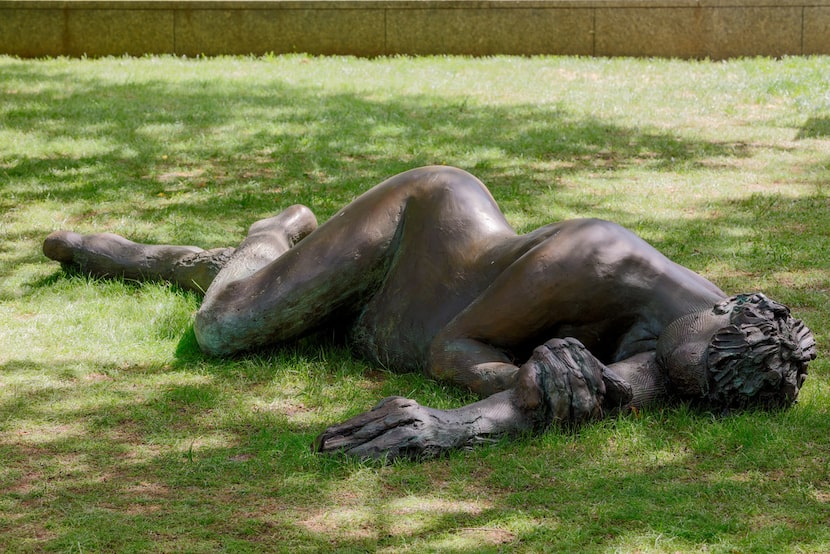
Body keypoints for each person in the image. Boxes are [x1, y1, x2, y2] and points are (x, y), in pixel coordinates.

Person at [43, 166, 816, 460]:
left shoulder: (711, 351)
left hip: (384, 326)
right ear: (729, 308)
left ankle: (254, 273)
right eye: (678, 375)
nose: (662, 386)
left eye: (686, 390)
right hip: (412, 245)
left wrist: (455, 430)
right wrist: (519, 372)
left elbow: (586, 400)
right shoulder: (596, 257)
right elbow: (455, 345)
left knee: (274, 312)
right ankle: (269, 238)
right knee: (222, 329)